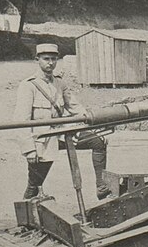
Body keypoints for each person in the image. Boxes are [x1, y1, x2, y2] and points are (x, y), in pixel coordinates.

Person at [14, 43, 111, 201]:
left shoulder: (60, 83)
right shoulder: (28, 86)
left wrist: (92, 119)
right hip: (42, 138)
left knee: (98, 141)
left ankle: (101, 186)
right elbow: (21, 120)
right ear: (37, 59)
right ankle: (25, 209)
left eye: (54, 59)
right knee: (35, 184)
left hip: (61, 132)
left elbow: (74, 106)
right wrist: (29, 149)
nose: (50, 63)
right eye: (46, 59)